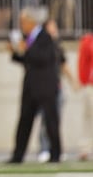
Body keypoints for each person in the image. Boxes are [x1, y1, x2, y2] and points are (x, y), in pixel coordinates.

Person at [7, 7, 61, 164]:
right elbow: (28, 60)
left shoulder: (45, 37)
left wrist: (26, 49)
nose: (22, 25)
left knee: (51, 121)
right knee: (24, 121)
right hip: (30, 86)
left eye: (23, 22)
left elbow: (43, 58)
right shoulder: (28, 38)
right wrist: (15, 53)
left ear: (31, 21)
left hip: (45, 86)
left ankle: (55, 153)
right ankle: (18, 155)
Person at [37, 20, 78, 163]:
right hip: (44, 88)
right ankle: (44, 149)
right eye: (52, 27)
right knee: (45, 120)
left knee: (56, 120)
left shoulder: (57, 47)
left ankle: (55, 149)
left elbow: (63, 64)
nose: (55, 29)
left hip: (57, 87)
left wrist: (73, 81)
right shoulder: (40, 46)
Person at [79, 27, 93, 161]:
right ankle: (85, 148)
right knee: (88, 117)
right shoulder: (88, 41)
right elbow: (83, 63)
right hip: (90, 85)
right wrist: (83, 81)